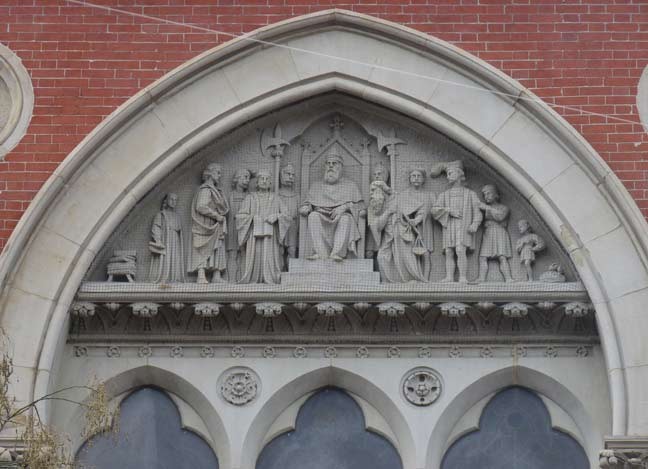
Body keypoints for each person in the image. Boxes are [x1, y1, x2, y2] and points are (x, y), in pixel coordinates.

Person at [299, 152, 366, 261]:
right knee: (313, 216)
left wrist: (346, 206)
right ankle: (320, 253)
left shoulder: (350, 185)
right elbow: (307, 203)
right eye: (328, 163)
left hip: (340, 217)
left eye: (334, 163)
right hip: (321, 217)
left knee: (346, 219)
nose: (331, 166)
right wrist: (306, 207)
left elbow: (361, 209)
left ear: (341, 167)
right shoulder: (316, 186)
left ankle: (337, 253)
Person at [430, 160, 483, 283]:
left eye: (451, 173)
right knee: (449, 251)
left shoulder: (470, 194)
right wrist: (448, 210)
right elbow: (434, 210)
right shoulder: (444, 195)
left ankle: (463, 277)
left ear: (460, 174)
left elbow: (478, 211)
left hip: (464, 227)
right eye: (447, 174)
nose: (448, 176)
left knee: (460, 250)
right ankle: (449, 277)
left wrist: (475, 224)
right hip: (449, 226)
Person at [236, 170, 291, 284]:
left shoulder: (275, 198)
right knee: (255, 256)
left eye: (267, 179)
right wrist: (252, 218)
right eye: (262, 179)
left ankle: (271, 278)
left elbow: (287, 215)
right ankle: (252, 278)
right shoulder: (250, 198)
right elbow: (240, 216)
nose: (264, 181)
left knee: (269, 257)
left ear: (270, 183)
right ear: (257, 182)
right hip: (254, 235)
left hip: (271, 236)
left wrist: (277, 216)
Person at [368, 180, 427, 283]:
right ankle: (387, 281)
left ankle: (412, 278)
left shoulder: (398, 198)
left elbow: (422, 207)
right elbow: (376, 227)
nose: (373, 194)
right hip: (388, 237)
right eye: (372, 191)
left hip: (403, 233)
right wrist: (387, 212)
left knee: (406, 257)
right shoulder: (374, 207)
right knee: (382, 257)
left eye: (376, 191)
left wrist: (416, 220)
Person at [189, 163, 230, 284]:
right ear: (211, 174)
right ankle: (201, 275)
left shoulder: (216, 191)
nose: (220, 175)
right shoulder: (206, 189)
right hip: (205, 225)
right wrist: (216, 215)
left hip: (215, 224)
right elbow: (200, 206)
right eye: (218, 173)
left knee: (217, 247)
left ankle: (216, 275)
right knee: (203, 248)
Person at [477, 184, 513, 282]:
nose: (486, 196)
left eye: (488, 193)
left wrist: (487, 208)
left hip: (499, 232)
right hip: (488, 233)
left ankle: (508, 278)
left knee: (502, 257)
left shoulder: (504, 208)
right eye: (484, 195)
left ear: (496, 195)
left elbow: (500, 217)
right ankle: (481, 278)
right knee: (483, 257)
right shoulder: (484, 209)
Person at [149, 193, 185, 283]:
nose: (173, 202)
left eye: (175, 200)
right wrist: (158, 240)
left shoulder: (177, 217)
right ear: (166, 201)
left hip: (175, 242)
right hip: (166, 241)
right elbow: (156, 227)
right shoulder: (161, 215)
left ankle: (175, 278)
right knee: (166, 259)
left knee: (175, 259)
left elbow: (179, 231)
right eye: (171, 199)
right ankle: (166, 278)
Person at [227, 168, 252, 282]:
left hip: (246, 227)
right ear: (237, 179)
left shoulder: (250, 196)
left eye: (249, 178)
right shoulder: (230, 195)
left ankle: (243, 280)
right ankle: (232, 281)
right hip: (232, 227)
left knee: (245, 253)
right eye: (245, 177)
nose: (247, 180)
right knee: (233, 254)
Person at [366, 161, 391, 260]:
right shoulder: (374, 186)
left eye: (379, 174)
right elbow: (374, 205)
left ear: (385, 175)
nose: (376, 176)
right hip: (374, 217)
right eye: (374, 174)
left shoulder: (387, 189)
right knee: (370, 249)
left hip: (386, 219)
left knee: (381, 249)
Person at [278, 163, 299, 260]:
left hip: (292, 225)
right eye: (288, 174)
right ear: (281, 175)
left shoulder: (296, 196)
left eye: (293, 175)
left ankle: (290, 271)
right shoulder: (276, 195)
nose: (291, 177)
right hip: (280, 224)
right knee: (280, 249)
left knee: (292, 250)